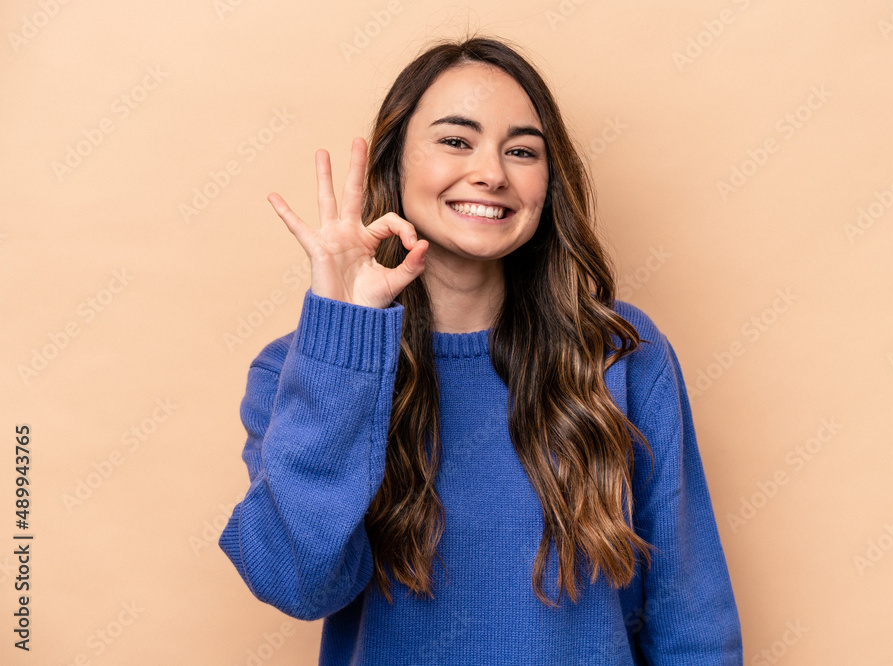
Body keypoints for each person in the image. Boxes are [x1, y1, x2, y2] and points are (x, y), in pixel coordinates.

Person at [218, 34, 742, 665]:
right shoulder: (295, 369)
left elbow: (693, 618)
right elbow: (298, 582)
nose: (492, 172)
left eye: (521, 150)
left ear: (548, 184)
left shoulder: (621, 354)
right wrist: (346, 333)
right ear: (396, 165)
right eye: (456, 140)